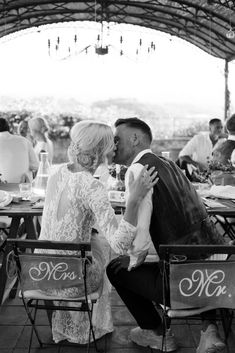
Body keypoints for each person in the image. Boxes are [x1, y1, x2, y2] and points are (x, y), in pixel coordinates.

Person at [106, 117, 226, 353]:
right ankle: (209, 330)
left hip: (182, 283)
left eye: (117, 138)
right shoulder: (169, 163)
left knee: (116, 268)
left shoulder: (138, 169)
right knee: (196, 253)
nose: (114, 144)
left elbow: (139, 239)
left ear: (134, 138)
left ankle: (156, 333)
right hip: (215, 276)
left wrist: (135, 260)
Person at [36, 120, 158, 344]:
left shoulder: (57, 173)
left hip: (40, 274)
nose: (115, 149)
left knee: (96, 240)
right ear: (100, 150)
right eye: (112, 144)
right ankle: (93, 325)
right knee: (105, 250)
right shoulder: (93, 187)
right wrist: (134, 200)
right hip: (73, 280)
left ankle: (69, 326)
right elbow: (120, 245)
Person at [0, 117, 38, 183]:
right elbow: (35, 166)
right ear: (8, 128)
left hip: (3, 188)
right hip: (24, 186)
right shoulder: (24, 141)